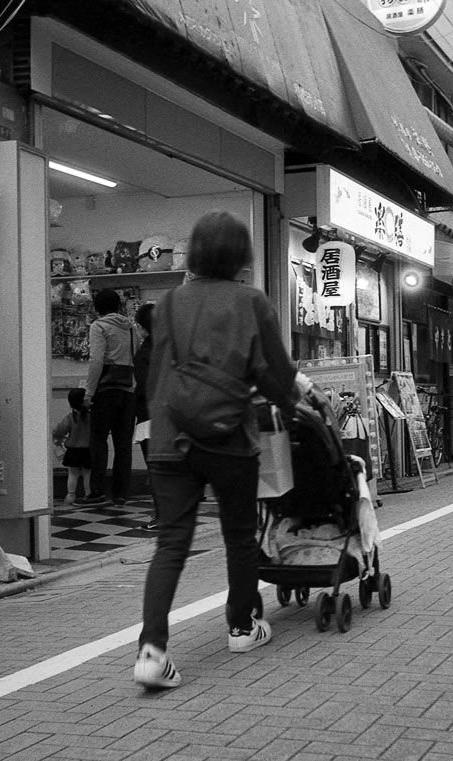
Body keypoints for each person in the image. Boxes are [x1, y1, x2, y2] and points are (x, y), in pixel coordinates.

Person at [133, 210, 307, 690]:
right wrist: (295, 408)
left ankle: (152, 652)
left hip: (171, 440)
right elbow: (276, 373)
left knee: (170, 544)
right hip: (231, 438)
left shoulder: (168, 302)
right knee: (238, 535)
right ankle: (242, 626)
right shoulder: (251, 301)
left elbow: (154, 376)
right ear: (241, 255)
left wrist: (162, 422)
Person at [82, 288, 139, 507]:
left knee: (98, 441)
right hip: (128, 390)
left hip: (106, 390)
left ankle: (97, 492)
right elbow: (135, 359)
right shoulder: (131, 328)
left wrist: (89, 392)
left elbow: (96, 361)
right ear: (118, 306)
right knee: (123, 444)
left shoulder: (99, 326)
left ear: (97, 307)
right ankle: (121, 494)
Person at [132, 302, 156, 530]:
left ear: (141, 327)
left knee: (156, 468)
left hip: (151, 417)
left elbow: (145, 386)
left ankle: (162, 515)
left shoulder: (144, 353)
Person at [51, 388, 91, 505]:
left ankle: (70, 495)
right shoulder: (92, 417)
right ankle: (88, 495)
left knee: (73, 474)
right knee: (87, 474)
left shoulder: (70, 417)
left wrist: (59, 441)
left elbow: (60, 431)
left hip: (73, 450)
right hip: (88, 450)